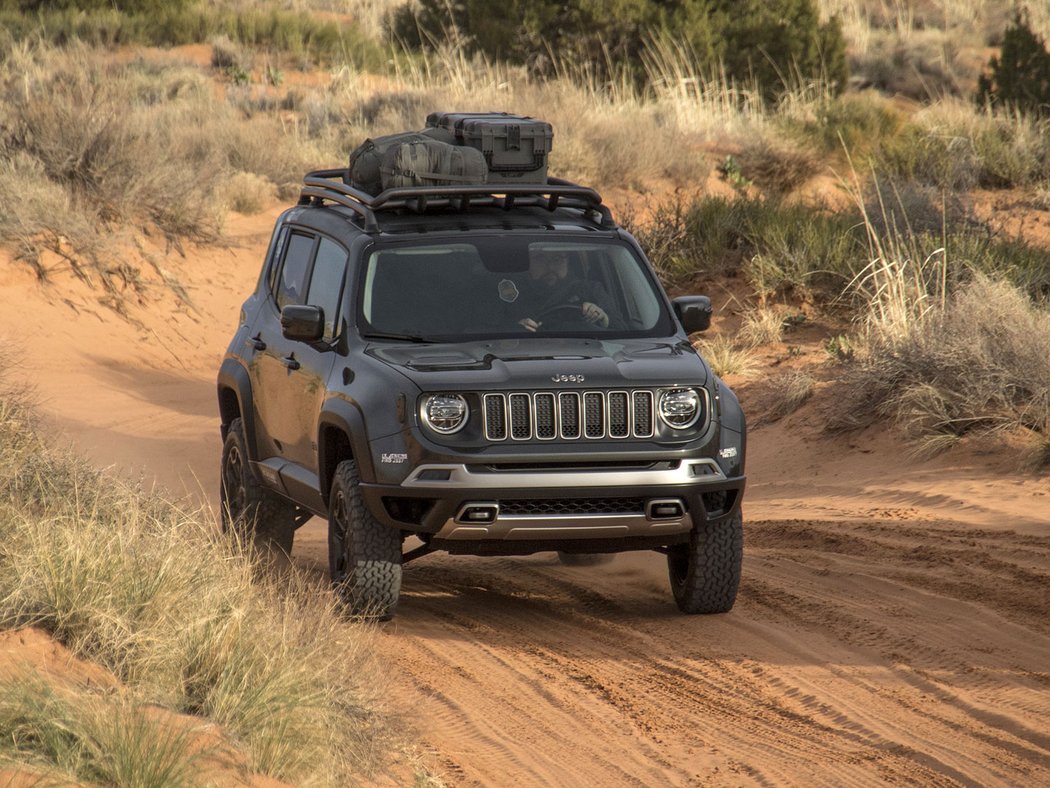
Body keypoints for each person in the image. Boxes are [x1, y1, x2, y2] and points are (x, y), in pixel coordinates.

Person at [511, 248, 617, 332]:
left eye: (557, 259)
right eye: (540, 258)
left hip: (586, 355)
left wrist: (603, 318)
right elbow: (496, 334)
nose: (550, 266)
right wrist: (516, 330)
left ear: (568, 262)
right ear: (528, 263)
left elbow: (625, 329)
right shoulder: (512, 295)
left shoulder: (591, 290)